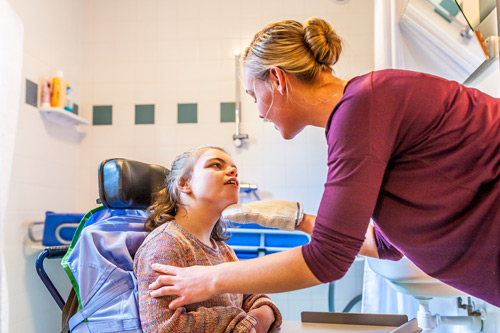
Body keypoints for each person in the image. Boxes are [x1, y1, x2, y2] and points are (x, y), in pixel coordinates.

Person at [147, 18, 500, 308]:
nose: (257, 111)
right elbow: (387, 244)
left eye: (255, 96)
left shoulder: (363, 108)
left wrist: (208, 279)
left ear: (278, 79)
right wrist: (298, 220)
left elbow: (329, 258)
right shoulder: (361, 109)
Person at [133, 145, 282, 332]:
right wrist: (240, 320)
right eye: (216, 165)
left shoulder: (223, 250)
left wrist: (260, 315)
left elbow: (254, 298)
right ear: (185, 184)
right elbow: (164, 328)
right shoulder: (166, 245)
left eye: (233, 167)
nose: (233, 171)